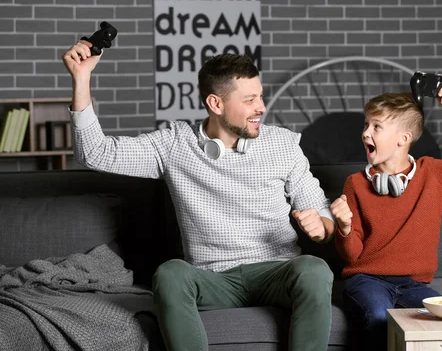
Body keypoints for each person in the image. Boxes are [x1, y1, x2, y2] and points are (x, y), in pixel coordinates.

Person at [62, 40, 336, 351]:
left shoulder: (283, 144)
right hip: (213, 279)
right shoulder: (175, 144)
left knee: (314, 268)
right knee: (170, 273)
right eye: (249, 100)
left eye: (260, 97)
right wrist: (81, 79)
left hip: (278, 272)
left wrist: (321, 226)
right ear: (216, 104)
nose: (261, 108)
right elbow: (95, 154)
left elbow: (320, 212)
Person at [329, 70, 442, 351]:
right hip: (367, 280)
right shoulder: (355, 184)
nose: (365, 132)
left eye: (376, 127)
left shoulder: (435, 174)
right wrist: (344, 228)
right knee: (379, 317)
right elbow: (352, 255)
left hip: (414, 285)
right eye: (366, 125)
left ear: (403, 139)